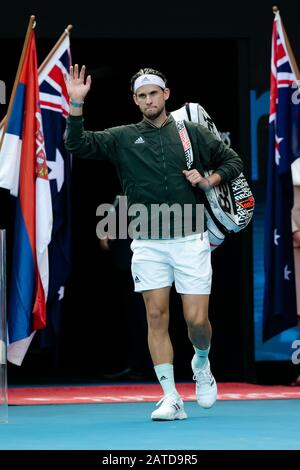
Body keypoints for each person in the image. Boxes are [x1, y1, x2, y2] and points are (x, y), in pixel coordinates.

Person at [64, 65, 243, 420]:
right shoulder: (122, 136)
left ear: (166, 95)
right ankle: (171, 396)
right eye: (142, 95)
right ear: (136, 100)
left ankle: (202, 363)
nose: (148, 100)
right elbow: (76, 144)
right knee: (156, 316)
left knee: (196, 322)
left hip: (191, 237)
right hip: (147, 242)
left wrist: (210, 180)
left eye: (153, 93)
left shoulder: (190, 132)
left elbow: (232, 160)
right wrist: (75, 104)